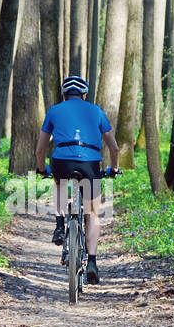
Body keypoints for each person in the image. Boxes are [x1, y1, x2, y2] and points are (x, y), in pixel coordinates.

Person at [35, 74, 121, 284]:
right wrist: (114, 168)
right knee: (92, 212)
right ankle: (91, 261)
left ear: (64, 94)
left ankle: (59, 225)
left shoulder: (54, 110)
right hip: (90, 164)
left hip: (61, 162)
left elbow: (40, 149)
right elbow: (114, 147)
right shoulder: (96, 111)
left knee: (59, 184)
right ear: (84, 94)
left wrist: (41, 168)